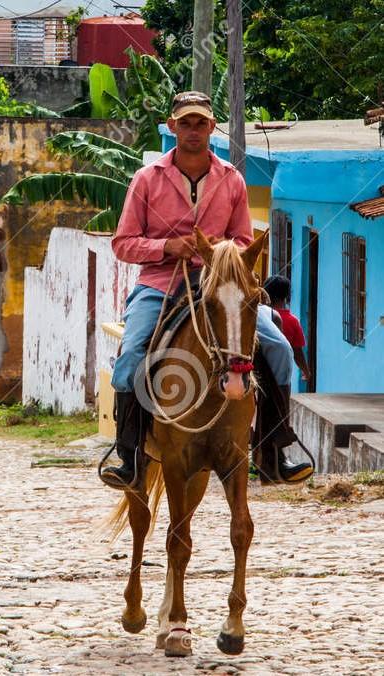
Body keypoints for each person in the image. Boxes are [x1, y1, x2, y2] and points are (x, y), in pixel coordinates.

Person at [100, 91, 312, 489]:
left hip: (222, 283)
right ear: (172, 126)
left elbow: (243, 239)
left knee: (280, 349)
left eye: (201, 123)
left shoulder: (231, 179)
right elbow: (123, 242)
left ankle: (275, 449)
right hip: (161, 284)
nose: (193, 130)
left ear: (212, 127)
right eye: (186, 123)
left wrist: (218, 252)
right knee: (130, 355)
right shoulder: (147, 179)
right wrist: (167, 247)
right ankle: (127, 455)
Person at [263, 275, 311, 382]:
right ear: (287, 296)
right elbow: (297, 352)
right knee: (282, 398)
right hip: (281, 376)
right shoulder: (292, 321)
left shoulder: (260, 316)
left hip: (259, 374)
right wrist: (306, 370)